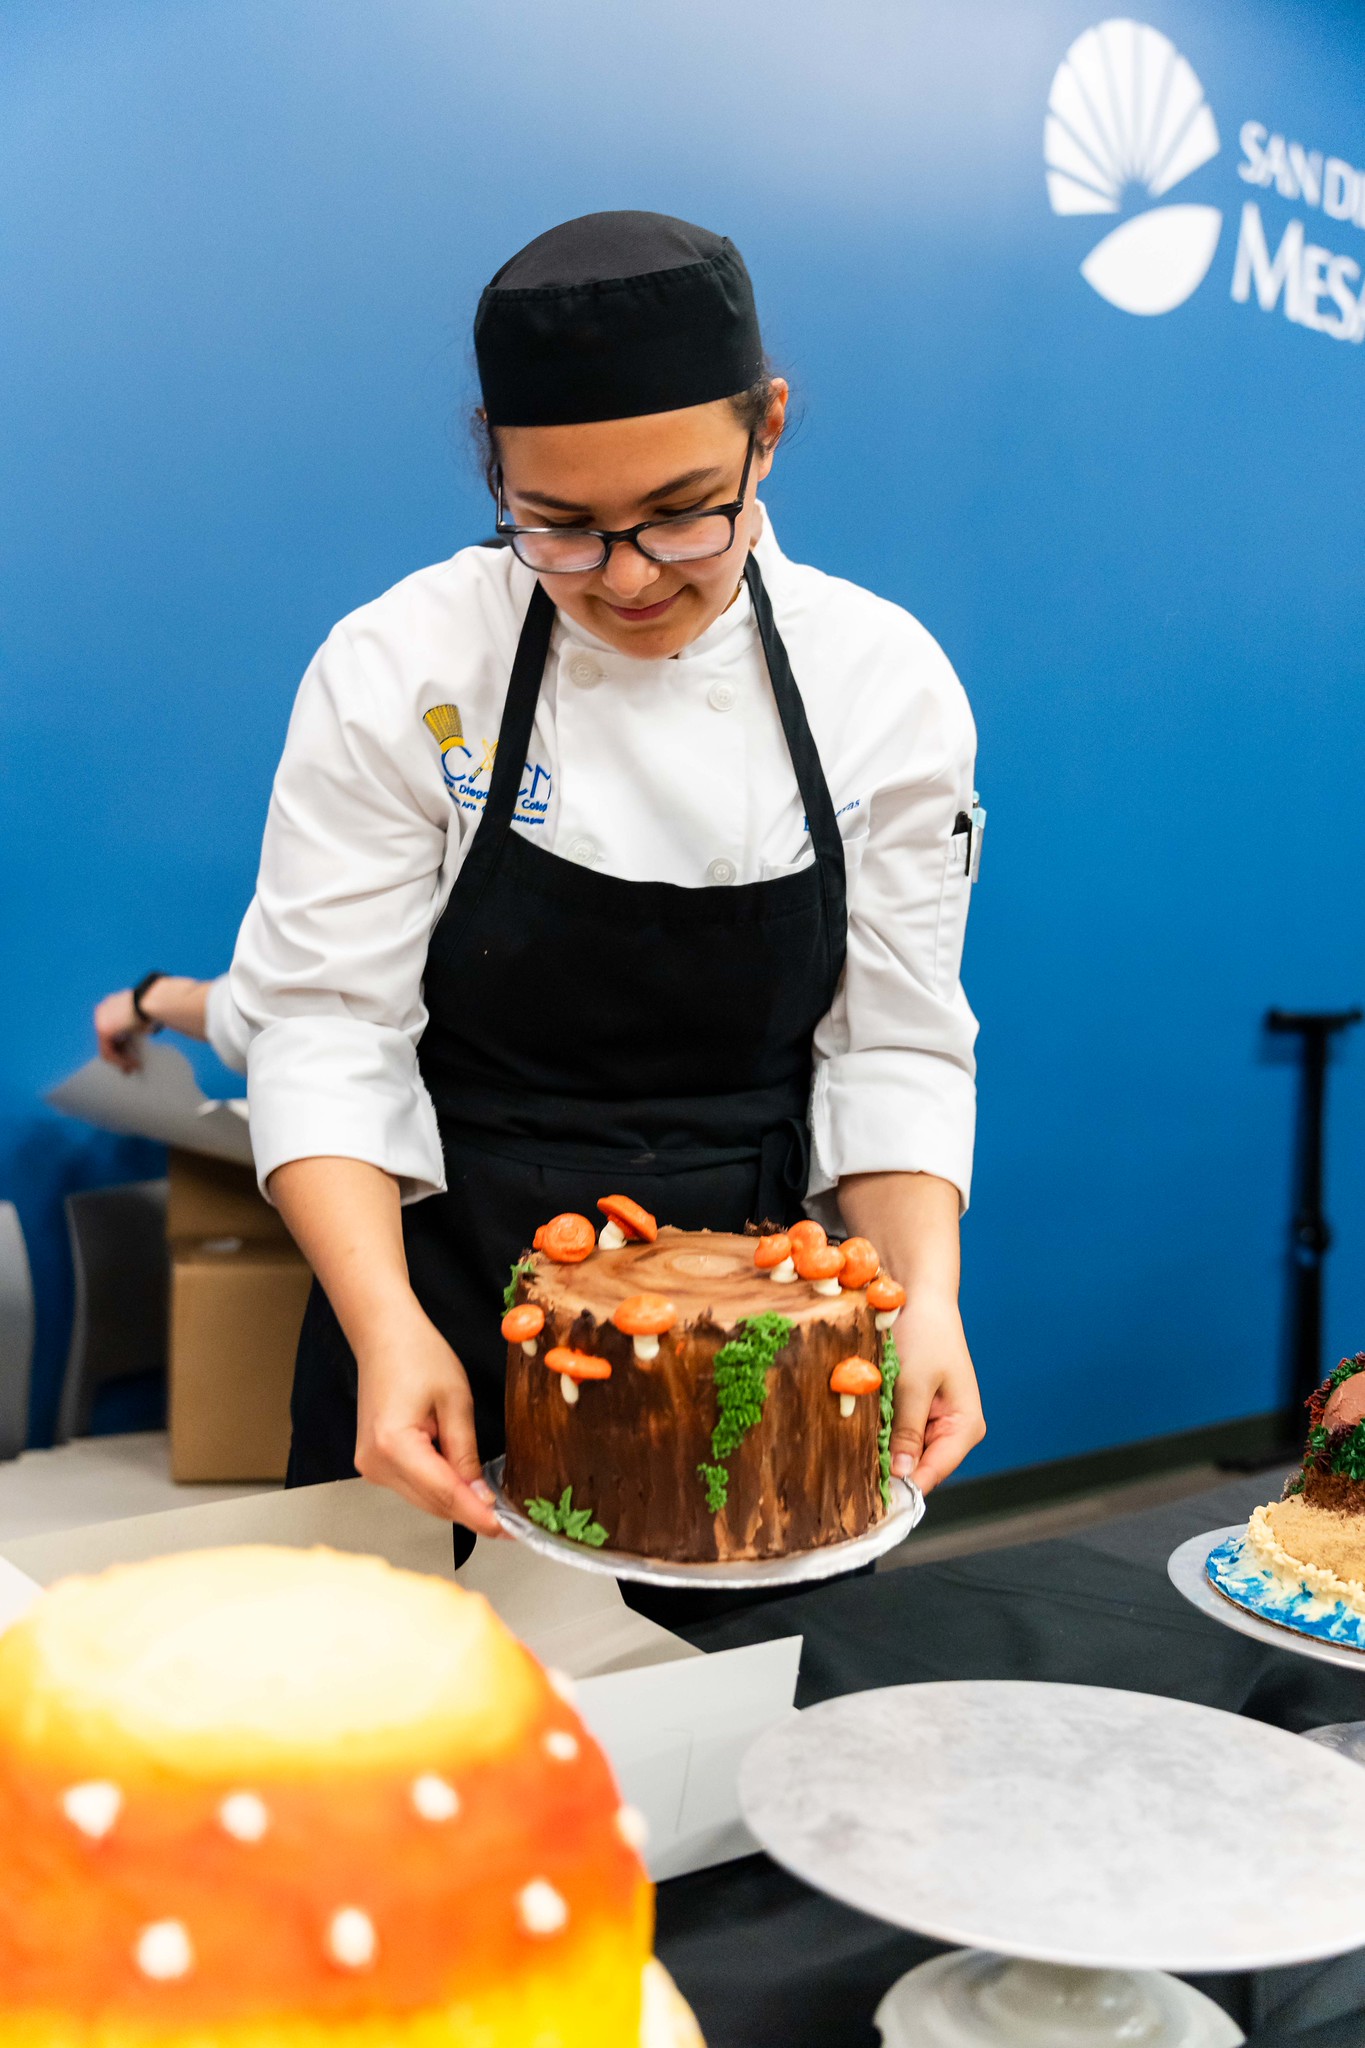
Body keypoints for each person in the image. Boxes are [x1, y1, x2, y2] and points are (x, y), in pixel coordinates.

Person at [216, 210, 986, 1546]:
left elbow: (896, 1044)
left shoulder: (884, 682)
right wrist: (385, 1326)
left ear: (770, 430)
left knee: (722, 1725)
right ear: (495, 476)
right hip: (439, 1278)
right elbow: (326, 1032)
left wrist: (926, 1297)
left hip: (761, 1332)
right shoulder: (402, 665)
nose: (627, 579)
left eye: (684, 517)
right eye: (558, 529)